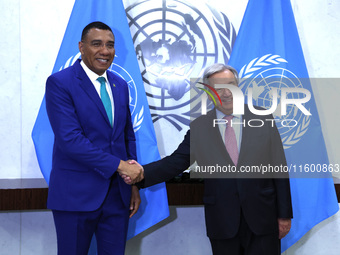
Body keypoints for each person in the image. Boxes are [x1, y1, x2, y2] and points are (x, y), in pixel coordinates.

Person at [125, 63, 293, 255]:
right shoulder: (200, 128)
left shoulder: (263, 118)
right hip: (222, 221)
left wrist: (284, 215)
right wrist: (138, 176)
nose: (227, 93)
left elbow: (279, 167)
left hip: (263, 219)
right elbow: (175, 163)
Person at [45, 21, 144, 255]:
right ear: (81, 46)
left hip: (117, 196)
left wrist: (133, 185)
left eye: (110, 45)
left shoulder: (120, 84)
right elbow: (70, 140)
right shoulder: (60, 83)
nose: (105, 51)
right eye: (96, 44)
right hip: (75, 195)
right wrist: (120, 166)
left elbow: (126, 137)